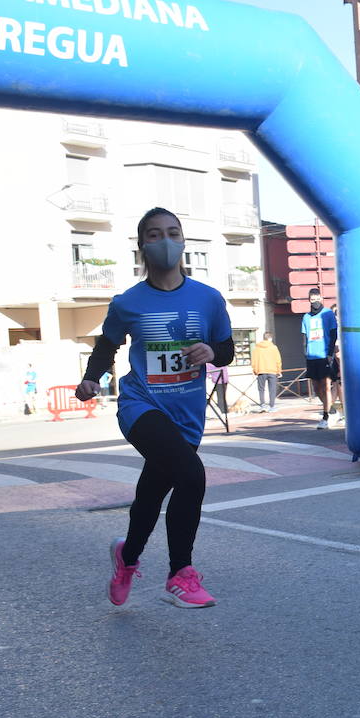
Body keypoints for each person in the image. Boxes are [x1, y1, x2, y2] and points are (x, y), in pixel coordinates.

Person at [77, 206, 233, 609]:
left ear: (183, 241)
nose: (165, 241)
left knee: (150, 495)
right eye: (154, 234)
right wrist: (93, 377)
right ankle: (180, 574)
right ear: (142, 246)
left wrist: (212, 350)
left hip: (187, 415)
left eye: (173, 233)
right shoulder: (128, 302)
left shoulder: (209, 299)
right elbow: (106, 346)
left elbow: (228, 349)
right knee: (192, 476)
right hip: (141, 405)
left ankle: (126, 558)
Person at [300, 287, 338, 429]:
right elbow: (304, 337)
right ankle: (331, 409)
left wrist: (330, 353)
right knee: (317, 388)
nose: (315, 302)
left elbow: (333, 334)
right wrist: (305, 353)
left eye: (317, 299)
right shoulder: (306, 317)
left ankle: (326, 416)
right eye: (312, 300)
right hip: (312, 356)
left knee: (326, 386)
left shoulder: (328, 314)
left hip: (324, 355)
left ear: (321, 299)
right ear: (309, 300)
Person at [252, 331, 282, 411]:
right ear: (270, 338)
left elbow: (253, 360)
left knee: (261, 389)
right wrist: (279, 371)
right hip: (272, 371)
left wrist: (255, 370)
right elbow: (278, 360)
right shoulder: (274, 348)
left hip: (261, 371)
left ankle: (262, 405)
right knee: (272, 389)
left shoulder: (257, 348)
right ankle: (272, 406)